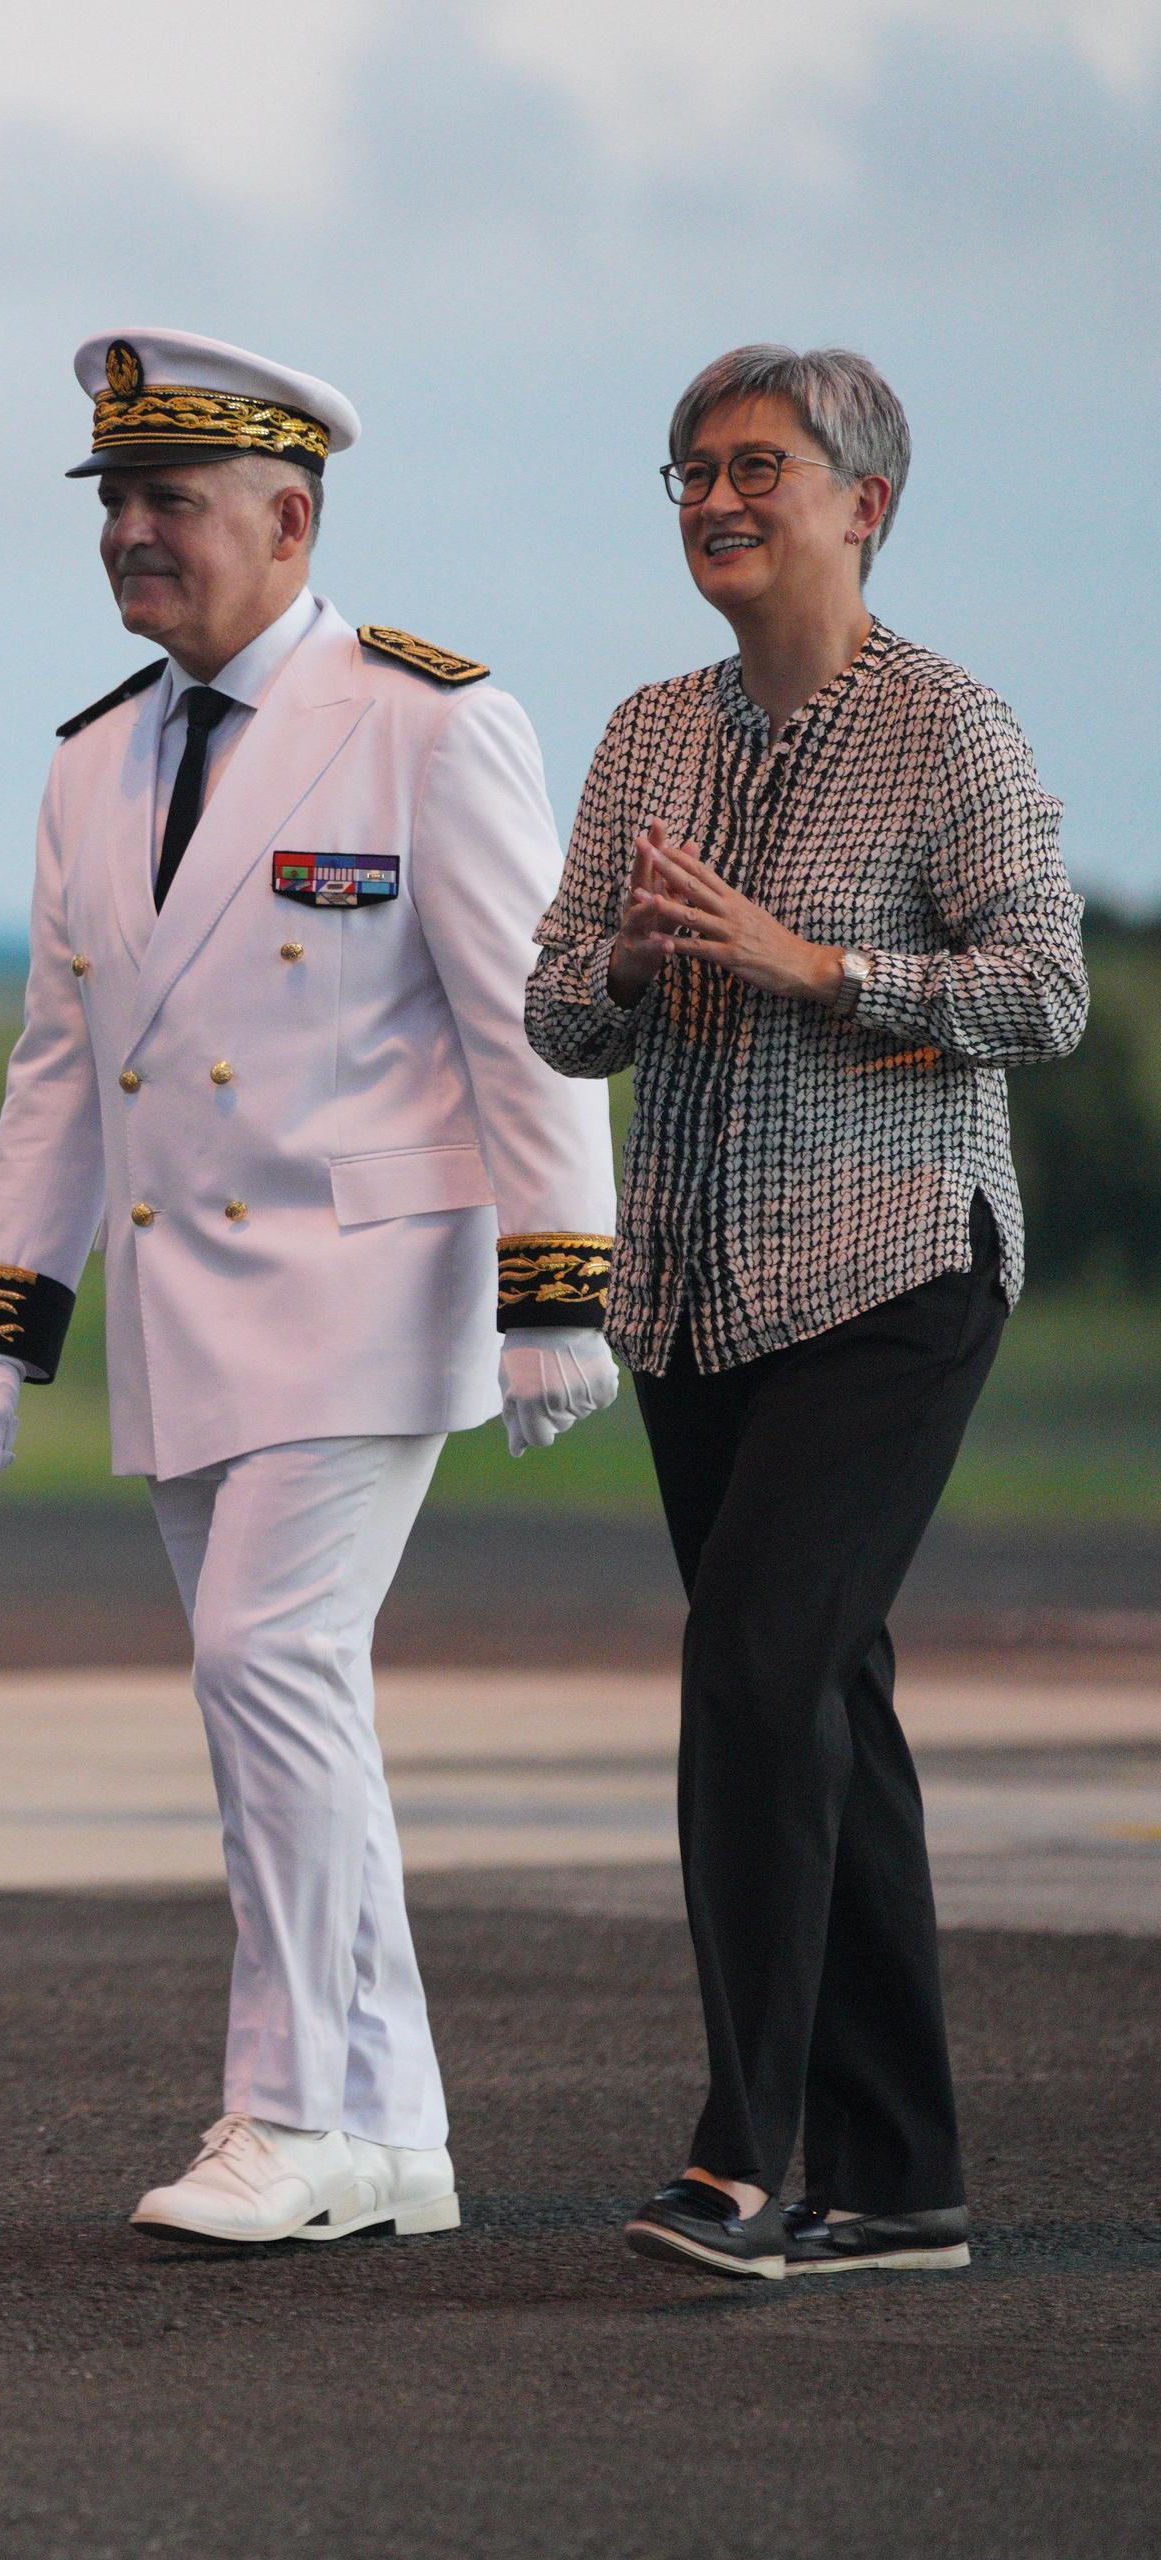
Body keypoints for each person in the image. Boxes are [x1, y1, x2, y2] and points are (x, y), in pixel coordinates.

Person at [0, 330, 619, 2248]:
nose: (132, 536)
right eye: (116, 505)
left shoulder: (424, 721)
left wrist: (559, 1281)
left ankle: (294, 2112)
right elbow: (62, 1068)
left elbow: (530, 1021)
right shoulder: (90, 760)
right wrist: (1, 1325)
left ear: (290, 517)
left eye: (171, 503)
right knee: (277, 1699)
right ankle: (390, 2128)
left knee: (270, 1664)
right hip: (183, 1310)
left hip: (369, 1283)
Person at [527, 346, 1086, 2283]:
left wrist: (808, 961)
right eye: (684, 470)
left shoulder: (952, 728)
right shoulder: (643, 735)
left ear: (865, 501)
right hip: (692, 1288)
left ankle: (745, 2158)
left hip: (894, 1263)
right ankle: (904, 2173)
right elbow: (551, 1011)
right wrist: (621, 952)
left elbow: (1045, 990)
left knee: (757, 1669)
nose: (711, 496)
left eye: (754, 465)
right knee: (821, 1694)